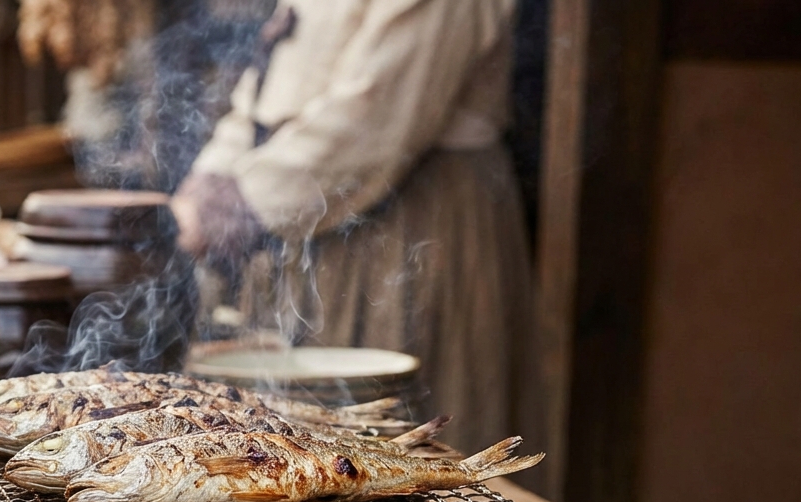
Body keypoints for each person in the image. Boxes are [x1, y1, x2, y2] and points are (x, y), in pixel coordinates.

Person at [171, 0, 532, 453]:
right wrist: (205, 189)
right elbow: (263, 85)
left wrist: (234, 206)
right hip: (300, 215)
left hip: (409, 227)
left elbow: (374, 115)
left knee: (401, 442)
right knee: (292, 450)